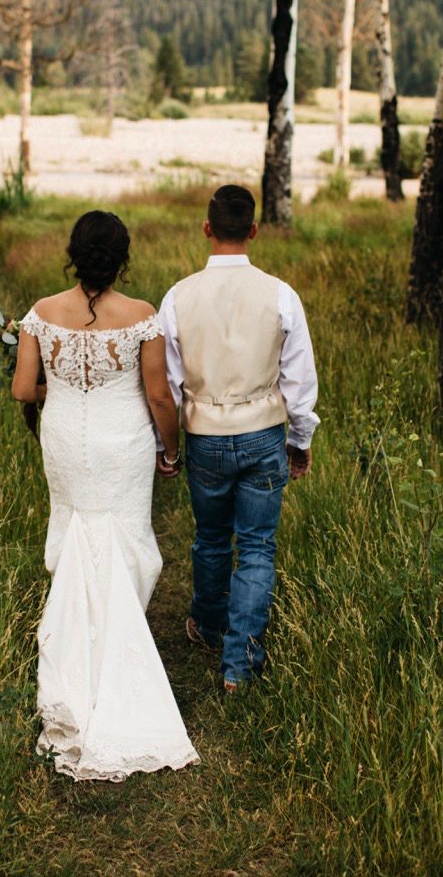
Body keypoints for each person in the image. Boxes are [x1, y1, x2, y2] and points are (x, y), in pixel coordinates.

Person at [12, 210, 199, 782]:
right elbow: (159, 397)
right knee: (124, 536)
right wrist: (171, 452)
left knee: (74, 530)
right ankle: (117, 650)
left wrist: (62, 383)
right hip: (123, 445)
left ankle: (76, 659)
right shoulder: (141, 316)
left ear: (73, 252)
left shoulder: (41, 314)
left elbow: (23, 388)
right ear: (122, 259)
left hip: (64, 439)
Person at [158, 185, 319, 693]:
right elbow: (299, 379)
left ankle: (208, 627)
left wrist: (170, 446)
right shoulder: (280, 294)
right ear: (253, 230)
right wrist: (301, 438)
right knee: (255, 546)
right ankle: (240, 664)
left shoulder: (178, 296)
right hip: (263, 434)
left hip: (205, 435)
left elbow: (168, 380)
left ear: (207, 229)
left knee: (210, 538)